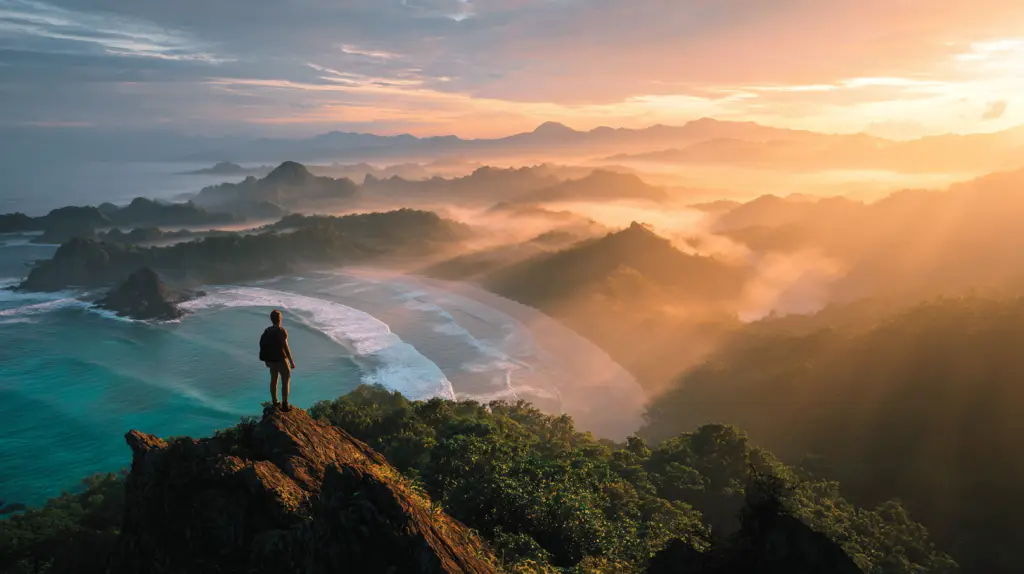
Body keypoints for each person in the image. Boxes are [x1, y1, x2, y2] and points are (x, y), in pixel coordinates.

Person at [260, 309, 297, 411]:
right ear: (280, 319)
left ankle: (275, 402)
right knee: (286, 379)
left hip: (271, 360)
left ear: (271, 319)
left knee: (274, 379)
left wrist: (266, 360)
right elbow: (286, 347)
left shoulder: (267, 330)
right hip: (281, 359)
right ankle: (285, 404)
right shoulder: (281, 331)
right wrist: (291, 361)